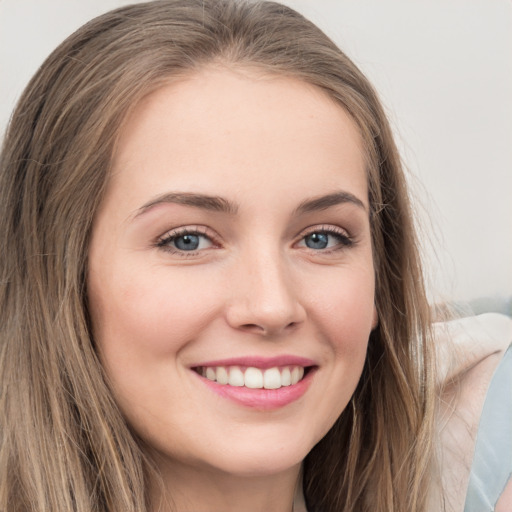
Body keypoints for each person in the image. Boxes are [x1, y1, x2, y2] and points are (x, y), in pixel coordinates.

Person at [0, 1, 510, 511]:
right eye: (188, 240)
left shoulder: (482, 443)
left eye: (321, 239)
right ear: (60, 277)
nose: (272, 306)